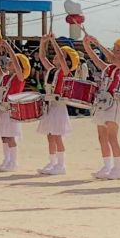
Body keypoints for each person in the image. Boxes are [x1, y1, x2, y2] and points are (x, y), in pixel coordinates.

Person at [83, 33, 120, 179]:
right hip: (102, 103)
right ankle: (106, 166)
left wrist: (98, 42)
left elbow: (112, 59)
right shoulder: (109, 68)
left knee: (112, 136)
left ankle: (118, 168)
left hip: (114, 103)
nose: (114, 52)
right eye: (114, 49)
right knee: (102, 137)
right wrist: (87, 45)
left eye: (118, 50)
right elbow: (95, 59)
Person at [0, 40, 29, 171]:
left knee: (10, 136)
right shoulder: (4, 77)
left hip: (12, 110)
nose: (9, 63)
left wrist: (10, 49)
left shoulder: (19, 77)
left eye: (12, 62)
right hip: (2, 109)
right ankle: (6, 159)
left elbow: (16, 64)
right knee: (4, 136)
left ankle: (13, 162)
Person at [37, 35, 76, 175]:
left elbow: (60, 55)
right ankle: (52, 162)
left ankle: (61, 164)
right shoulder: (52, 70)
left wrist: (54, 42)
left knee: (58, 135)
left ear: (67, 61)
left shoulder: (66, 72)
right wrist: (43, 43)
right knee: (50, 135)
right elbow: (42, 57)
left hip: (58, 105)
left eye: (62, 56)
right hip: (50, 105)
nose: (56, 56)